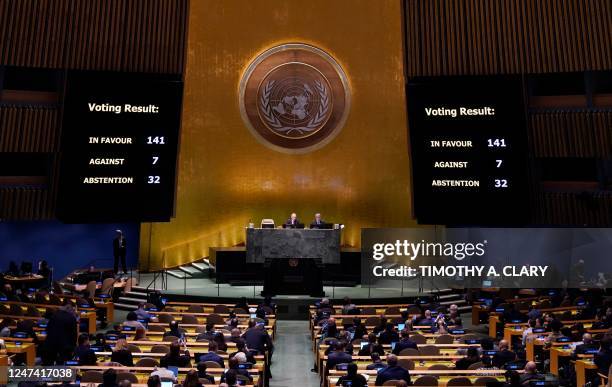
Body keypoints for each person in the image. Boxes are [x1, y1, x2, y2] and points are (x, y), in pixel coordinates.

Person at [43, 301, 78, 365]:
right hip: (65, 346)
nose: (74, 312)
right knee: (63, 364)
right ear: (68, 307)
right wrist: (73, 347)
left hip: (51, 343)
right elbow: (73, 334)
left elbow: (47, 329)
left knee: (50, 363)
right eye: (73, 310)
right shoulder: (71, 318)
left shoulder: (54, 315)